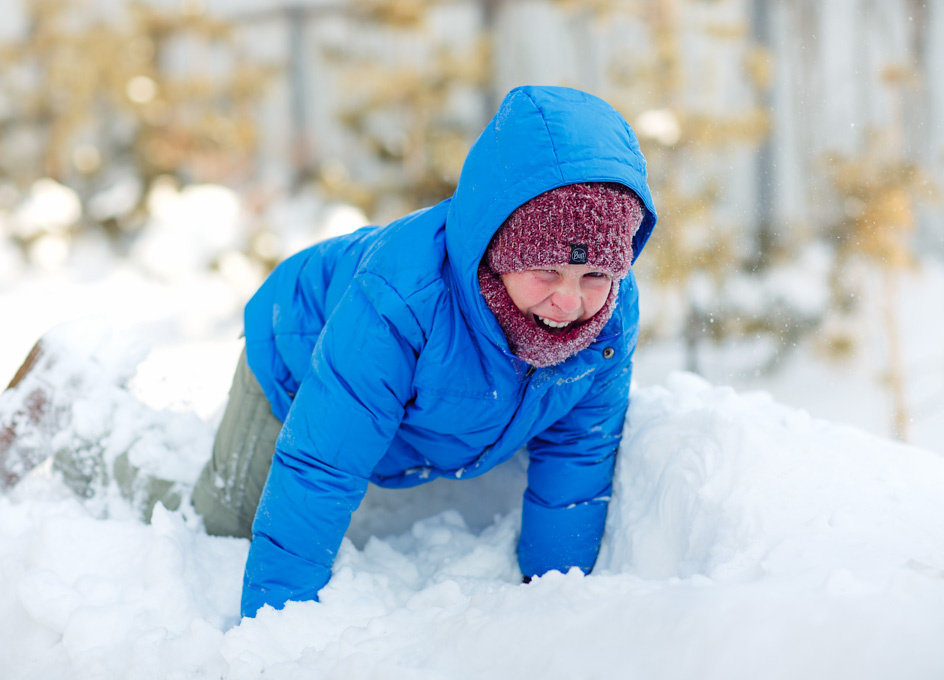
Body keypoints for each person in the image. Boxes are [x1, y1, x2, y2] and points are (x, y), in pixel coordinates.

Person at [191, 85, 658, 619]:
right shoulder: (403, 300)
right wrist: (275, 628)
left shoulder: (610, 317)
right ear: (497, 252)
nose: (570, 300)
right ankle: (111, 462)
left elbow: (580, 452)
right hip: (295, 353)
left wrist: (556, 598)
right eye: (547, 270)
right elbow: (324, 462)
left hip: (398, 408)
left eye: (595, 274)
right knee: (222, 526)